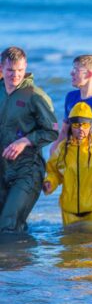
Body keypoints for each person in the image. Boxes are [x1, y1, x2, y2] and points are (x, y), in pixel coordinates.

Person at [0, 47, 58, 232]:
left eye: (20, 70)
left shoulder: (35, 96)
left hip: (27, 170)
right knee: (11, 225)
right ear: (1, 68)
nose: (15, 75)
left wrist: (25, 141)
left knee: (8, 225)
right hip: (2, 169)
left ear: (26, 67)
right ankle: (24, 259)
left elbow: (52, 131)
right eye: (10, 70)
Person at [43, 103, 92, 225]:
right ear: (70, 127)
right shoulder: (62, 149)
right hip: (69, 211)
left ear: (91, 125)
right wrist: (50, 182)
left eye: (85, 125)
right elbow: (54, 171)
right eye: (76, 125)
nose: (81, 129)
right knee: (70, 243)